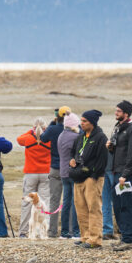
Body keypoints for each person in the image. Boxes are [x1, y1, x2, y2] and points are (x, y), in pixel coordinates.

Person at [69, 109, 108, 249]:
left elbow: (102, 160)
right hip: (78, 176)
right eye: (81, 120)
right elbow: (73, 153)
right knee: (80, 208)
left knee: (93, 208)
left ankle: (95, 239)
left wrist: (92, 174)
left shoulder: (101, 137)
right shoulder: (80, 137)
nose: (82, 123)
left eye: (85, 121)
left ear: (92, 122)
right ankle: (85, 236)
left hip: (93, 177)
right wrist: (72, 161)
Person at [107, 100, 132, 251]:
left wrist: (126, 175)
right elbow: (119, 150)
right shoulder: (118, 127)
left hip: (124, 174)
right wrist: (110, 148)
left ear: (126, 114)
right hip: (115, 170)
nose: (116, 113)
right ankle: (123, 237)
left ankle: (128, 239)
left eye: (118, 111)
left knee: (126, 205)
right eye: (116, 110)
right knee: (118, 206)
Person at [17, 118, 52, 237]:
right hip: (46, 173)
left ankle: (24, 231)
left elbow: (19, 139)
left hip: (30, 173)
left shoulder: (28, 139)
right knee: (44, 202)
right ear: (45, 128)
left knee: (27, 203)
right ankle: (43, 231)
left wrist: (31, 131)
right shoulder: (49, 140)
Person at [40, 106, 70, 238]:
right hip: (69, 168)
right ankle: (68, 230)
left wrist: (53, 124)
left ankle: (52, 231)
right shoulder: (74, 129)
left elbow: (43, 138)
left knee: (54, 200)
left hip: (55, 168)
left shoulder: (53, 129)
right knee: (69, 200)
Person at [56, 112, 82, 239]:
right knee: (75, 202)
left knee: (66, 202)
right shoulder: (75, 137)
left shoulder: (61, 135)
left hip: (63, 172)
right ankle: (76, 231)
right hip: (73, 172)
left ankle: (64, 232)